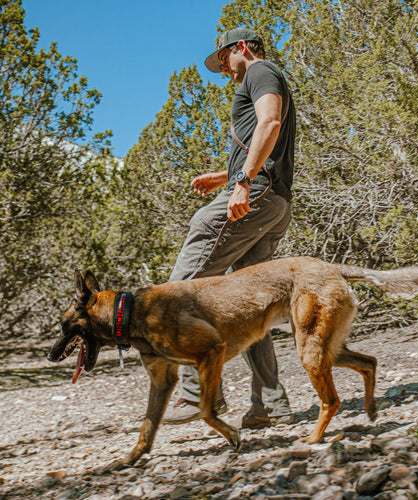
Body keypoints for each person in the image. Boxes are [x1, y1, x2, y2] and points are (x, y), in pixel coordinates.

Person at [164, 27, 296, 429]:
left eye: (223, 61)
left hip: (254, 196)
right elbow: (268, 144)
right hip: (274, 201)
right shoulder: (264, 76)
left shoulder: (260, 71)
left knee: (178, 291)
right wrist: (226, 176)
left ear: (240, 48)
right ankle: (270, 404)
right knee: (252, 308)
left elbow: (269, 125)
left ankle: (197, 393)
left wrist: (240, 184)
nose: (224, 71)